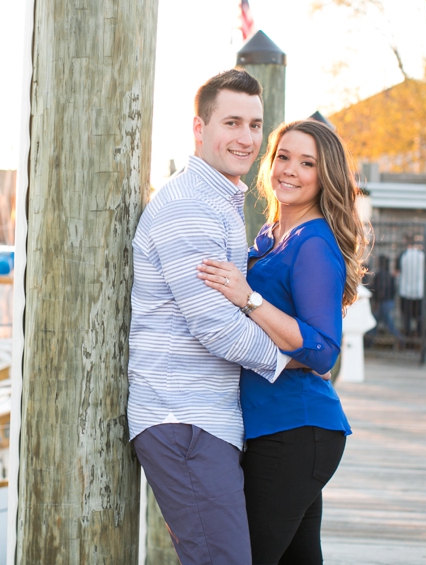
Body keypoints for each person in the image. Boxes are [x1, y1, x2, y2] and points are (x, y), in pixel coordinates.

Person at [128, 69, 301, 565]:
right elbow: (215, 326)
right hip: (183, 418)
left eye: (254, 124)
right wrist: (296, 358)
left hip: (203, 419)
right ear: (200, 129)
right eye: (232, 123)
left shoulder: (218, 201)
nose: (246, 138)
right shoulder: (188, 207)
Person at [198, 118, 368, 564]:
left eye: (306, 162)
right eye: (283, 157)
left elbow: (322, 349)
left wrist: (247, 297)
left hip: (294, 432)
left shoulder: (313, 242)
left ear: (324, 174)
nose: (289, 170)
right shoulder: (272, 235)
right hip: (283, 431)